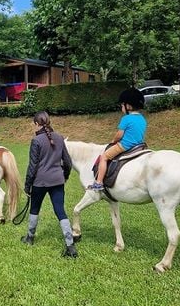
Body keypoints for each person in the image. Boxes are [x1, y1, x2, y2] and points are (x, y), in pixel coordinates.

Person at [22, 111, 77, 258]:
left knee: (35, 208)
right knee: (60, 211)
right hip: (57, 180)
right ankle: (70, 245)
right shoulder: (59, 138)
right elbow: (68, 162)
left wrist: (27, 185)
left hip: (40, 181)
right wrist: (64, 176)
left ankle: (30, 237)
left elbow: (32, 166)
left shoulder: (36, 141)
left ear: (36, 124)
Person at [88, 88, 147, 191]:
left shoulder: (126, 119)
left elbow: (119, 135)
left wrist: (113, 141)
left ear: (128, 106)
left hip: (125, 145)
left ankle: (99, 182)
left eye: (122, 105)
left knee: (104, 157)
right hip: (139, 146)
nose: (121, 107)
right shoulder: (142, 118)